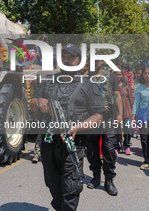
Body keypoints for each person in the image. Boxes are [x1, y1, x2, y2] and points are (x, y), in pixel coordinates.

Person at [30, 44, 105, 211]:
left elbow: (98, 116)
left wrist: (79, 127)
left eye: (71, 57)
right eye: (63, 56)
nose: (66, 60)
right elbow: (32, 104)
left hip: (73, 145)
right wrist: (39, 101)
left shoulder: (88, 84)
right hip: (49, 143)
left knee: (70, 188)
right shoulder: (49, 81)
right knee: (52, 183)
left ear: (79, 61)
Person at [86, 59, 123, 196]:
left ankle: (109, 181)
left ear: (101, 61)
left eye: (97, 59)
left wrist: (120, 114)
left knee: (108, 149)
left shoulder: (110, 76)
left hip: (109, 119)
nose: (95, 62)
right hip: (91, 119)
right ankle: (96, 176)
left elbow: (117, 95)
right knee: (92, 150)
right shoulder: (86, 76)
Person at [131, 65, 149, 170]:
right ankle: (146, 161)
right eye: (145, 73)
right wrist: (133, 118)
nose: (147, 75)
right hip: (143, 117)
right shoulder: (140, 88)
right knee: (145, 139)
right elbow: (136, 104)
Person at [115, 71, 134, 154]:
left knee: (128, 128)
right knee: (117, 129)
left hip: (127, 111)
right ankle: (117, 146)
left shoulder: (127, 86)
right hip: (116, 111)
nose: (118, 76)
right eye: (116, 75)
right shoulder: (112, 87)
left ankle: (127, 145)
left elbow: (131, 99)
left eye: (119, 75)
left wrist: (134, 113)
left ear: (122, 76)